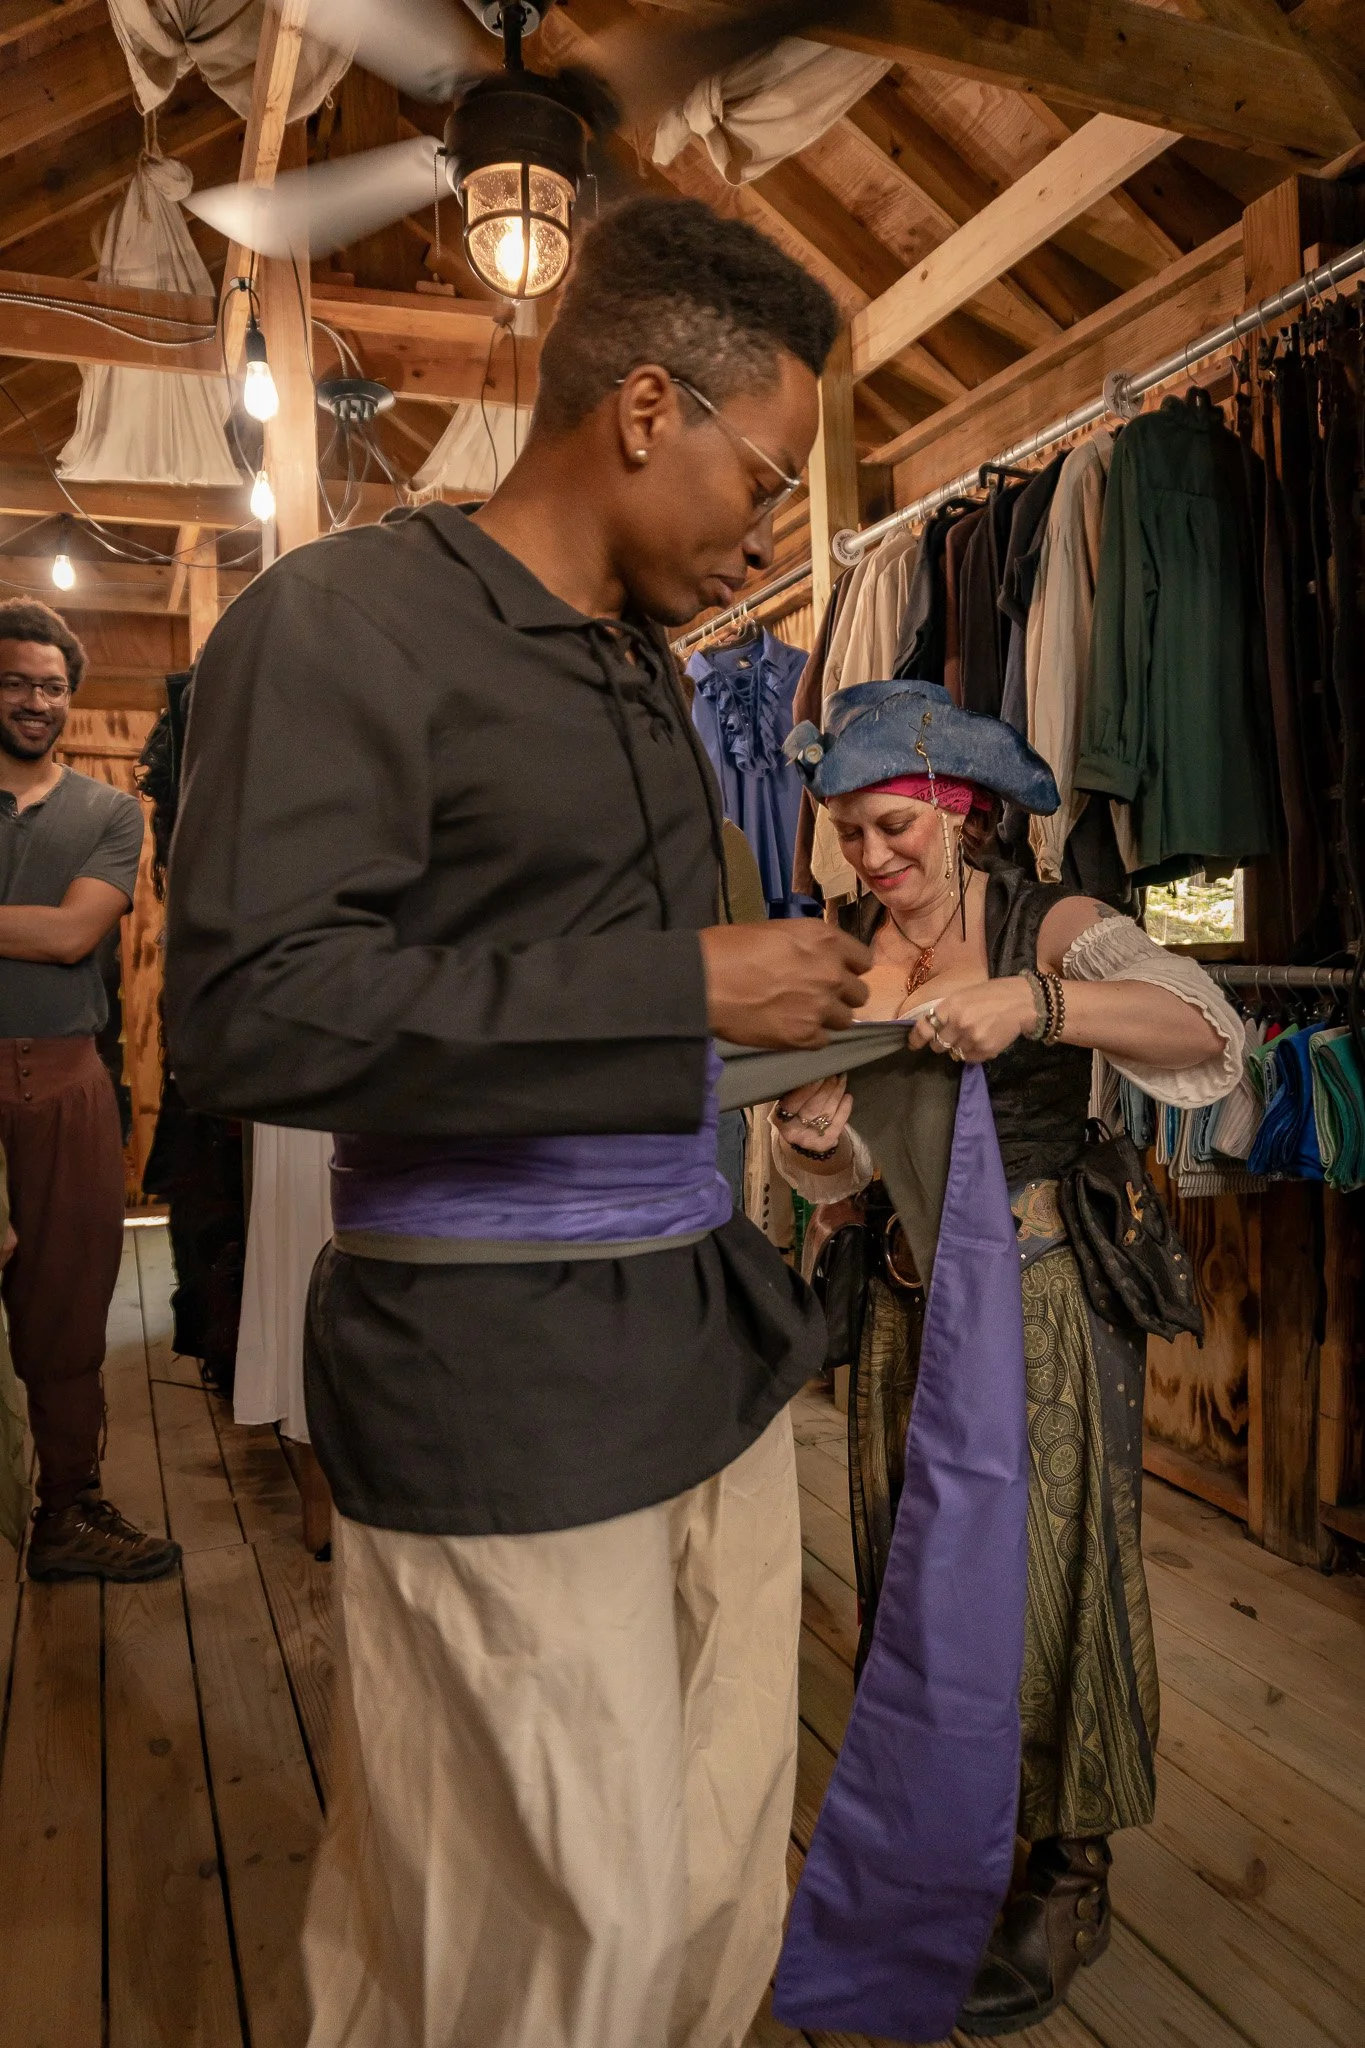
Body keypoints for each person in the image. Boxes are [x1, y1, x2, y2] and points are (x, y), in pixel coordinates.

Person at [164, 197, 875, 2048]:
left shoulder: (645, 668)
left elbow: (624, 999)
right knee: (546, 1922)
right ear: (648, 408)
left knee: (717, 1877)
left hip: (699, 1346)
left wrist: (817, 1020)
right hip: (493, 1366)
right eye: (769, 472)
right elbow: (250, 1018)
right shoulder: (340, 623)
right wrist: (686, 991)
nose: (774, 524)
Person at [767, 679, 1242, 2037]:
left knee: (1049, 1583)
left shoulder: (1059, 927)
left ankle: (1065, 1871)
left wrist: (1038, 1005)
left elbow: (1211, 1036)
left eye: (896, 827)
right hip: (905, 1302)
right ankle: (941, 1837)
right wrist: (813, 1145)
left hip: (1036, 1300)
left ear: (964, 814)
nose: (873, 860)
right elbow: (843, 1168)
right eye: (851, 834)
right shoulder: (850, 954)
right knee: (908, 1576)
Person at [0, 599, 180, 1581]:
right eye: (17, 681)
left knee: (68, 1310)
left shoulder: (110, 813)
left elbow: (76, 935)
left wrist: (45, 923)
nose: (36, 701)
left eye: (52, 685)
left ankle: (64, 1512)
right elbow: (52, 925)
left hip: (67, 1077)